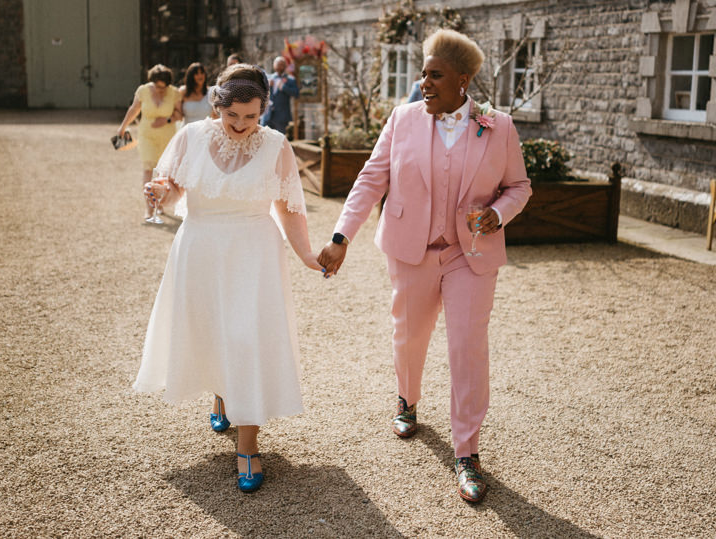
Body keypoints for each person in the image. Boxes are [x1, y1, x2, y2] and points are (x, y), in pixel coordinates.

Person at [317, 29, 532, 504]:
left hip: (470, 254)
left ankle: (468, 452)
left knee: (467, 346)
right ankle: (407, 400)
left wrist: (497, 214)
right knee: (409, 334)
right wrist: (340, 237)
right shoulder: (403, 119)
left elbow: (519, 186)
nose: (424, 82)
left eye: (434, 75)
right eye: (422, 73)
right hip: (411, 248)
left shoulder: (500, 126)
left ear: (464, 79)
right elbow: (371, 178)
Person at [133, 63, 323, 493]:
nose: (240, 125)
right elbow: (176, 189)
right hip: (199, 250)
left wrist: (308, 254)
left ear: (263, 110)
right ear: (217, 104)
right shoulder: (190, 137)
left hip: (253, 255)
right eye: (231, 114)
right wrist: (162, 194)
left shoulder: (277, 146)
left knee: (246, 339)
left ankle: (249, 444)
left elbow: (289, 207)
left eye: (251, 116)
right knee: (212, 332)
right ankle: (222, 389)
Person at [116, 64, 183, 221]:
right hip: (146, 135)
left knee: (163, 172)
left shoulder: (174, 93)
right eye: (157, 86)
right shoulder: (143, 90)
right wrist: (123, 127)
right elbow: (134, 109)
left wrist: (167, 119)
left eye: (163, 87)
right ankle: (149, 208)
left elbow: (179, 114)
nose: (160, 90)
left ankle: (160, 203)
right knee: (147, 169)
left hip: (167, 136)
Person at [260, 56, 299, 135]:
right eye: (277, 64)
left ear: (285, 66)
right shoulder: (268, 78)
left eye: (281, 64)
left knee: (279, 140)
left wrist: (283, 87)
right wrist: (266, 85)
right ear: (274, 65)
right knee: (263, 138)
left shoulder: (290, 80)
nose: (279, 66)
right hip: (267, 115)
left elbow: (296, 94)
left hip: (281, 117)